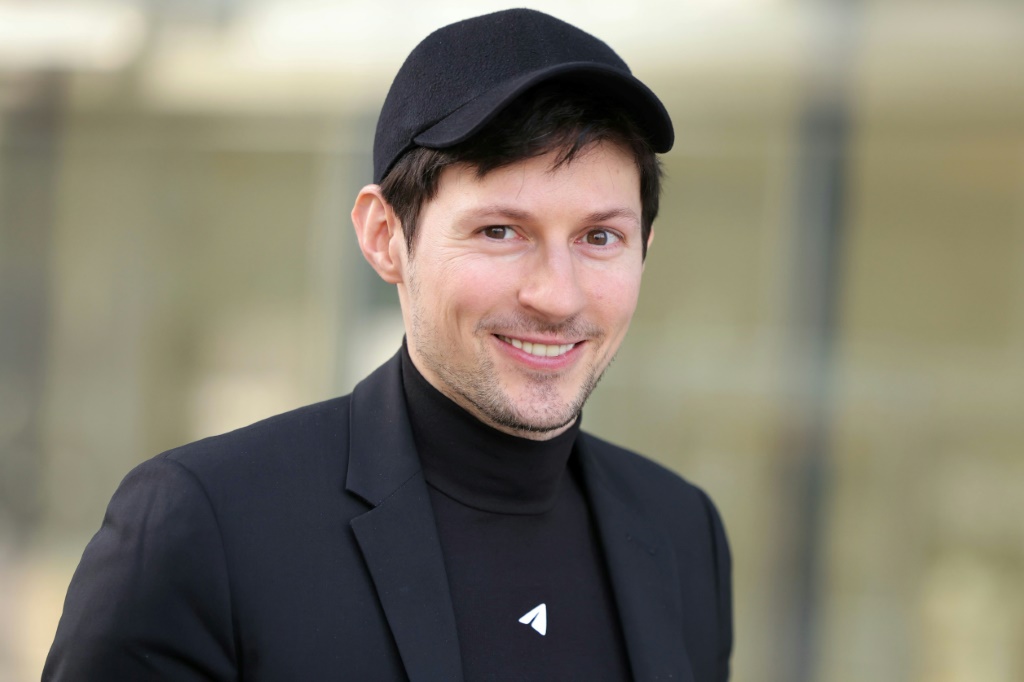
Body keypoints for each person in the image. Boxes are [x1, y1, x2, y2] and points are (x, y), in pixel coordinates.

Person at [43, 9, 732, 682]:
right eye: (499, 231)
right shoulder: (206, 526)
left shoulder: (683, 532)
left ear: (645, 246)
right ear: (384, 237)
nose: (557, 295)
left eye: (600, 237)